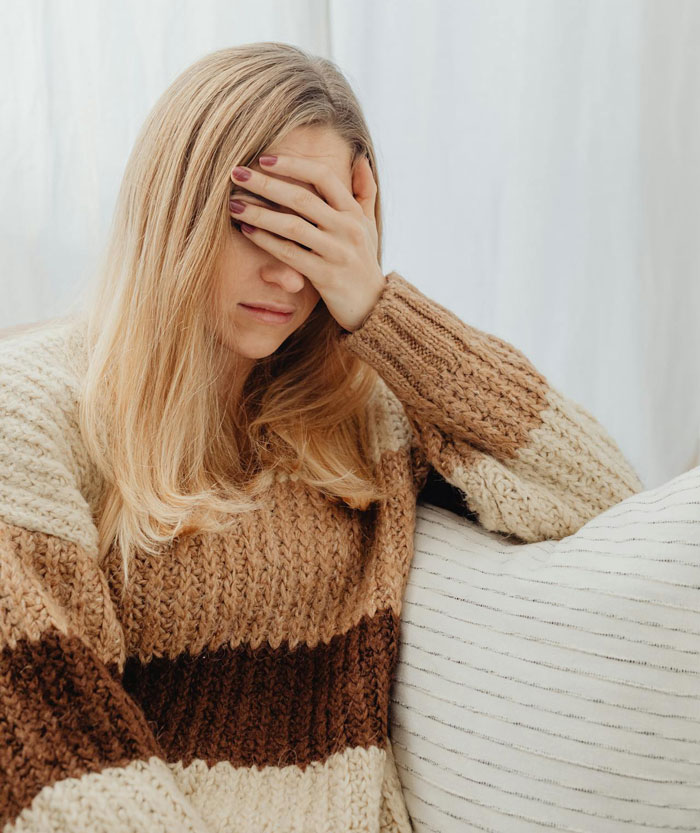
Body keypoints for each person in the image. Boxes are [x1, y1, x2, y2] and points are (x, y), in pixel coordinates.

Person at [0, 42, 645, 833]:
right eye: (257, 223)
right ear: (176, 210)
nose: (289, 275)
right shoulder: (33, 408)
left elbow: (609, 501)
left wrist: (380, 305)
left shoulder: (365, 419)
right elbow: (46, 734)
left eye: (317, 233)